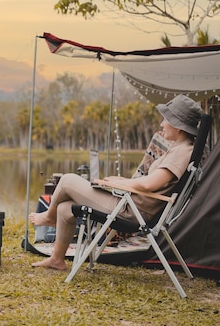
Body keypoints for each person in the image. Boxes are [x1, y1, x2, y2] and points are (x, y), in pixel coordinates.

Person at [28, 94, 203, 270]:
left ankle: (49, 218)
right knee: (65, 208)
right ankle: (57, 260)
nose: (161, 124)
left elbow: (149, 185)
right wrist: (120, 181)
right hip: (130, 203)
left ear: (178, 125)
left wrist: (114, 185)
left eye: (165, 119)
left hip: (131, 210)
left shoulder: (182, 152)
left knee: (67, 180)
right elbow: (150, 183)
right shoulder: (180, 148)